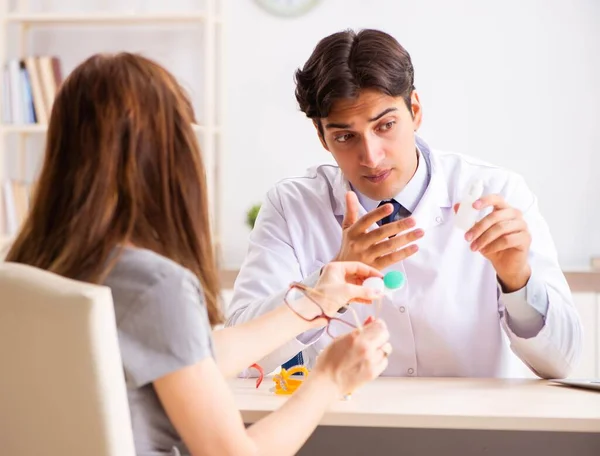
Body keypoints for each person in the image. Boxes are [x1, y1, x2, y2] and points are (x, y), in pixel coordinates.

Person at [5, 52, 392, 456]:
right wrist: (329, 379)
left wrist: (319, 300)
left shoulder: (31, 264)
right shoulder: (155, 286)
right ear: (167, 154)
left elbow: (194, 355)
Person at [227, 29, 582, 379]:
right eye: (345, 136)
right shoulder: (293, 207)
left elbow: (562, 364)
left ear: (414, 109)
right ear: (322, 138)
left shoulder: (497, 191)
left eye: (385, 125)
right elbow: (241, 361)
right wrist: (327, 285)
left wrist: (517, 279)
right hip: (347, 431)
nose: (370, 156)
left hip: (476, 432)